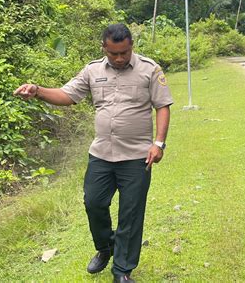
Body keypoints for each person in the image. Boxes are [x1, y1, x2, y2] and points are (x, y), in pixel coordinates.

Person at [14, 23, 173, 282]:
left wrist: (159, 143)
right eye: (114, 53)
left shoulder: (149, 69)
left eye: (124, 52)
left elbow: (163, 106)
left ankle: (122, 271)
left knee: (131, 214)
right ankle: (105, 247)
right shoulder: (92, 70)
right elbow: (67, 95)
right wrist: (38, 91)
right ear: (104, 48)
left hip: (137, 156)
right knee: (94, 203)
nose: (120, 58)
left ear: (132, 45)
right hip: (101, 154)